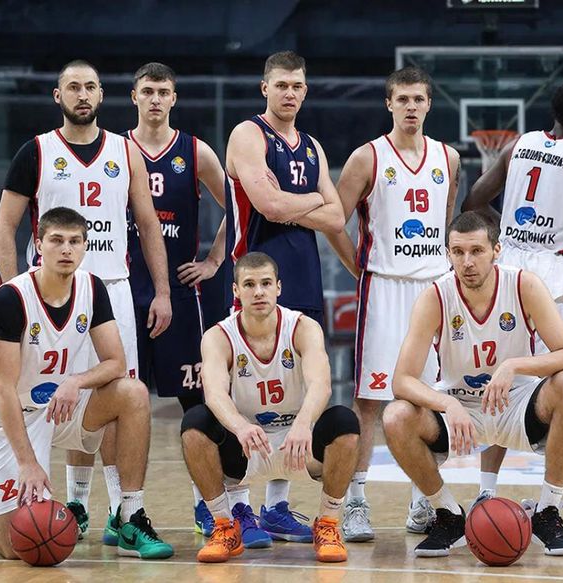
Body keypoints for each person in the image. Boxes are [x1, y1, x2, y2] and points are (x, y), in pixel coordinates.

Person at [0, 59, 172, 541]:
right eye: (73, 87)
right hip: (50, 295)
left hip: (111, 289)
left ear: (102, 95)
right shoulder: (36, 151)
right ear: (59, 96)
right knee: (58, 397)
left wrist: (162, 290)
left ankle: (122, 512)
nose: (83, 95)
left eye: (90, 86)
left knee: (115, 397)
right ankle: (76, 501)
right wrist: (16, 295)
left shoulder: (125, 151)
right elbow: (4, 227)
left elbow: (148, 225)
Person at [383, 211, 563, 557]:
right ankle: (448, 514)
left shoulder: (524, 286)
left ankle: (548, 511)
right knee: (395, 416)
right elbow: (401, 380)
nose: (467, 262)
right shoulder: (435, 297)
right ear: (447, 254)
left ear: (496, 250)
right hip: (460, 408)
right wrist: (447, 403)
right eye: (458, 252)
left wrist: (513, 365)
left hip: (517, 405)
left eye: (476, 251)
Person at [0, 207, 173, 560]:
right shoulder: (10, 298)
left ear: (84, 246)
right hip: (10, 415)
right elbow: (3, 390)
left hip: (62, 406)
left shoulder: (92, 288)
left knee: (133, 392)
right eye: (56, 241)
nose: (66, 249)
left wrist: (76, 382)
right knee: (13, 545)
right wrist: (27, 463)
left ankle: (130, 516)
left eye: (75, 241)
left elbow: (116, 363)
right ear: (39, 246)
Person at [327, 66, 460, 540]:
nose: (410, 107)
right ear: (389, 104)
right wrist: (359, 268)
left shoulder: (449, 157)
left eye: (418, 99)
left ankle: (424, 500)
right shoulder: (367, 157)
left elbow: (446, 224)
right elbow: (333, 220)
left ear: (429, 104)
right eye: (402, 99)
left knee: (435, 397)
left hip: (434, 291)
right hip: (384, 287)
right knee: (370, 400)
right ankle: (355, 501)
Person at [461, 79, 563, 504]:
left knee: (499, 386)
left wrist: (508, 230)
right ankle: (549, 502)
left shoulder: (518, 145)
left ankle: (486, 492)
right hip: (556, 280)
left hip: (508, 274)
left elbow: (473, 200)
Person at [224, 50, 346, 546]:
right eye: (281, 85)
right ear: (265, 88)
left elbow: (338, 217)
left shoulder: (312, 145)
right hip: (255, 279)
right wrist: (316, 199)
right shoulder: (248, 134)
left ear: (305, 90)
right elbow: (269, 206)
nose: (289, 93)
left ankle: (275, 507)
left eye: (297, 85)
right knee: (245, 393)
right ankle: (238, 506)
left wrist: (303, 204)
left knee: (292, 396)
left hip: (304, 280)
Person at [181, 252, 360, 563]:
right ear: (236, 291)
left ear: (279, 287)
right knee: (194, 424)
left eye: (266, 283)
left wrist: (303, 423)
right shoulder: (218, 336)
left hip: (298, 446)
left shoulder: (303, 327)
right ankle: (225, 526)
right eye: (249, 284)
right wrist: (240, 426)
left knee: (344, 422)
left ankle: (328, 524)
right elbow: (214, 394)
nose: (259, 292)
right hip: (246, 446)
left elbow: (321, 384)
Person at [125, 61, 230, 538]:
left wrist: (213, 261)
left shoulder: (195, 150)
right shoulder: (116, 149)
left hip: (181, 294)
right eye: (147, 91)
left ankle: (206, 503)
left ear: (174, 98)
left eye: (163, 91)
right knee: (120, 399)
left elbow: (240, 205)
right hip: (124, 290)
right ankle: (118, 508)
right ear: (134, 96)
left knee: (198, 399)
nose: (155, 99)